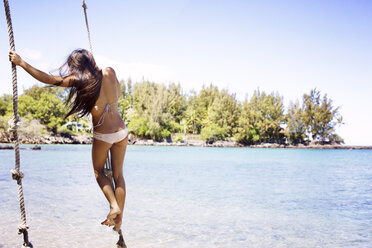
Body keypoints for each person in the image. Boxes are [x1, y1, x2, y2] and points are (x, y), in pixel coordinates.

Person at [9, 49, 128, 231]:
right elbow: (118, 94)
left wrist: (22, 63)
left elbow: (49, 79)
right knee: (118, 176)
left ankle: (114, 205)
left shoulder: (80, 80)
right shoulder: (110, 71)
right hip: (121, 131)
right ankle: (118, 220)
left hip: (103, 134)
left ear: (77, 66)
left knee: (99, 172)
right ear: (90, 61)